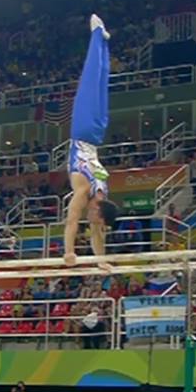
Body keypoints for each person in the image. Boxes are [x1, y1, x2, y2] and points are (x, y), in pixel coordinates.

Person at [63, 14, 119, 268]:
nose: (93, 222)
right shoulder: (88, 189)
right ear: (99, 210)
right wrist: (70, 252)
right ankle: (98, 35)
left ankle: (102, 39)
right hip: (87, 132)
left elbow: (94, 233)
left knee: (99, 85)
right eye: (96, 220)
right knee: (93, 81)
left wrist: (100, 261)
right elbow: (72, 221)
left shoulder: (96, 191)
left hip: (90, 135)